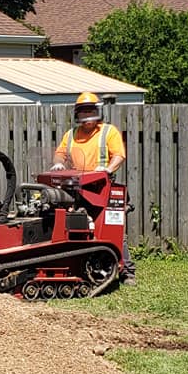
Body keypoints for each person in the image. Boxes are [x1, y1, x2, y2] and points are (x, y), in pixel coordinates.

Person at [51, 91, 136, 286]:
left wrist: (106, 169)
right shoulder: (71, 134)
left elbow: (119, 155)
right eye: (83, 112)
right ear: (77, 114)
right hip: (76, 188)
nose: (87, 117)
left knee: (112, 229)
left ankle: (127, 272)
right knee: (75, 226)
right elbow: (60, 153)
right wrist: (58, 164)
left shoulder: (108, 131)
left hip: (102, 188)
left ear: (98, 112)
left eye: (91, 111)